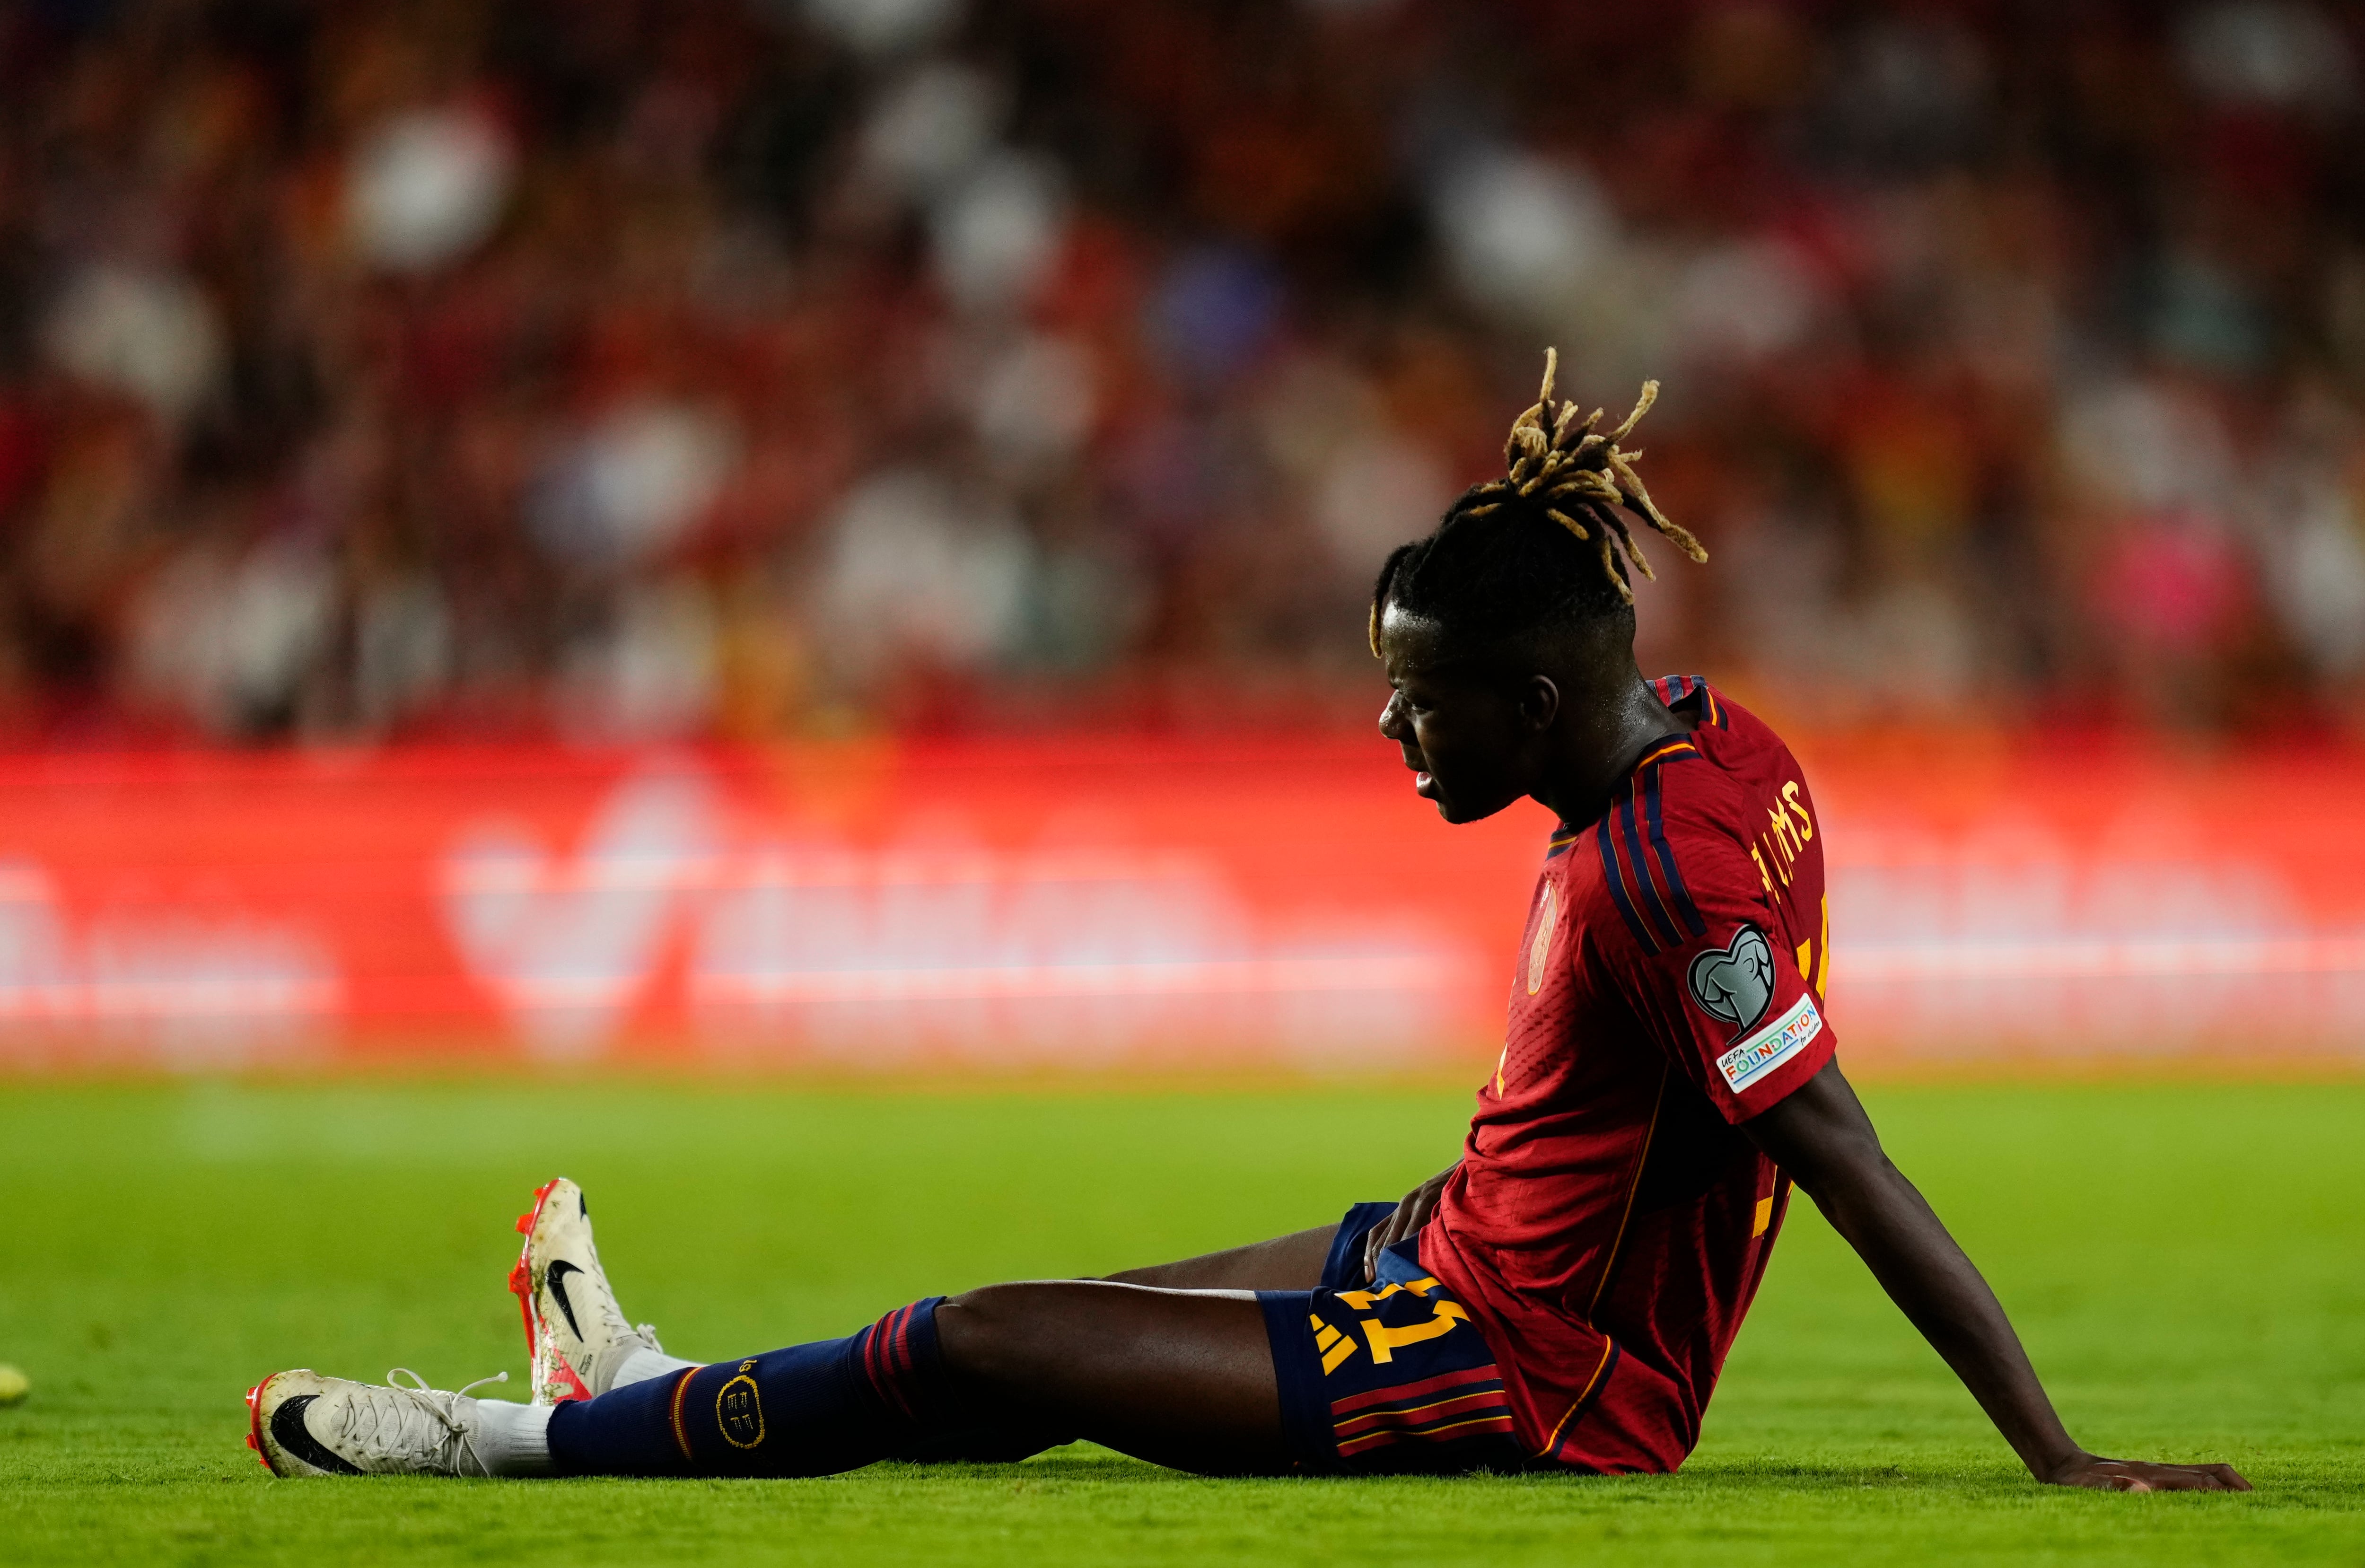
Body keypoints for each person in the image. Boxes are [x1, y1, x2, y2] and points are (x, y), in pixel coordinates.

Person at [243, 355, 2247, 1494]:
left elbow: (1833, 1153)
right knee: (1041, 1340)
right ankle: (639, 1395)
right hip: (1455, 1244)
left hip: (1512, 1363)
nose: (1385, 727)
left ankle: (513, 1447)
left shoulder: (1662, 866)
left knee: (984, 1342)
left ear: (1534, 702)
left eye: (1415, 697)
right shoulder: (1729, 752)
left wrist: (2053, 1462)